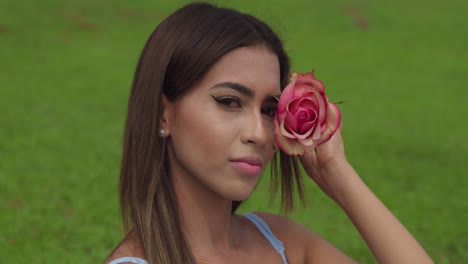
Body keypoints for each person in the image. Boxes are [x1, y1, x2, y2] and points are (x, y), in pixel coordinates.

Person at [105, 3, 433, 264]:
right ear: (164, 113)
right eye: (230, 101)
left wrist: (338, 175)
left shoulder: (282, 243)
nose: (259, 134)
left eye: (269, 110)